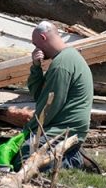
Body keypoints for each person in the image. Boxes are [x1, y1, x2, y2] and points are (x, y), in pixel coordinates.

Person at [20, 21, 94, 169]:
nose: (36, 48)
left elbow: (50, 105)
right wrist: (36, 67)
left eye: (36, 44)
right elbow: (40, 95)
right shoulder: (65, 58)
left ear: (43, 37)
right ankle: (69, 153)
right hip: (63, 126)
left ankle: (75, 160)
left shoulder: (61, 64)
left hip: (66, 128)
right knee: (25, 149)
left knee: (25, 157)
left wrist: (30, 130)